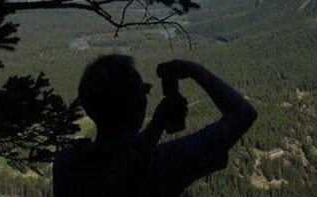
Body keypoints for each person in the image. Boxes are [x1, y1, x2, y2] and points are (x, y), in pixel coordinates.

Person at [53, 55, 257, 196]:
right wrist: (193, 69)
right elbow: (243, 114)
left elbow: (121, 162)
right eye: (145, 90)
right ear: (140, 104)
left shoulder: (66, 165)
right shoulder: (163, 165)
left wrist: (155, 127)